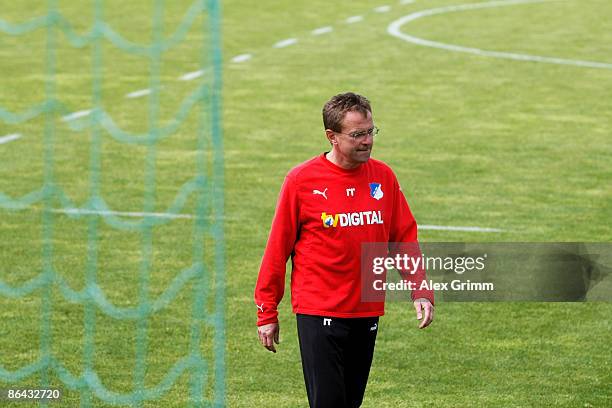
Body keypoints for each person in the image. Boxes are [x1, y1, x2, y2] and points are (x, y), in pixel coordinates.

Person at [254, 92, 434, 408]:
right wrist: (267, 310)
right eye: (357, 135)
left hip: (366, 309)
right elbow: (277, 249)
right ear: (332, 137)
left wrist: (419, 289)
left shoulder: (384, 176)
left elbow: (402, 237)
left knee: (350, 402)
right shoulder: (301, 180)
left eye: (370, 131)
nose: (367, 141)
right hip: (318, 311)